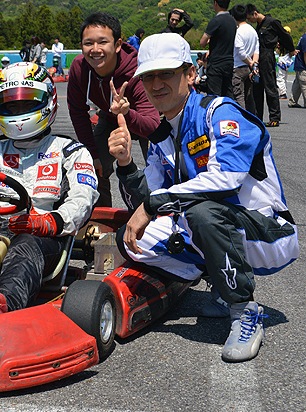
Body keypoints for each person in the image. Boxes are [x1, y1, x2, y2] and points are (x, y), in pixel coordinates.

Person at [108, 33, 298, 362]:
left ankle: (244, 311)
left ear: (191, 74)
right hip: (219, 226)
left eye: (166, 74)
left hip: (268, 233)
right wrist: (125, 165)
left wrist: (153, 205)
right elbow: (147, 202)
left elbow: (225, 181)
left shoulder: (221, 113)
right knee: (130, 240)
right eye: (149, 77)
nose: (156, 85)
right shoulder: (163, 136)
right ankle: (219, 281)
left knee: (202, 213)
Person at [0, 62, 99, 320]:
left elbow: (83, 197)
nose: (19, 112)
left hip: (45, 237)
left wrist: (51, 222)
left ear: (48, 101)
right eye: (11, 105)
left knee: (26, 246)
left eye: (27, 103)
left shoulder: (70, 151)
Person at [67, 12, 159, 207]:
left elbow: (152, 125)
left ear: (117, 45)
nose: (95, 49)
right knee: (92, 167)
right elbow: (77, 111)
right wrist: (92, 152)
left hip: (146, 119)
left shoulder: (137, 70)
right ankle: (103, 224)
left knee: (159, 169)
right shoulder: (79, 68)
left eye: (102, 42)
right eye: (88, 43)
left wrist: (126, 112)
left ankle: (158, 217)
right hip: (110, 118)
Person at [246, 4, 295, 127]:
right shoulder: (258, 26)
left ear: (255, 13)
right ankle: (258, 117)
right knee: (257, 89)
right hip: (257, 57)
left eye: (249, 18)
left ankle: (274, 117)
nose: (249, 21)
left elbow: (285, 35)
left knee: (270, 87)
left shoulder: (272, 22)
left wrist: (291, 49)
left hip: (267, 57)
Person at [200, 0, 237, 98]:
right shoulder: (232, 21)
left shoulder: (215, 21)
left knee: (214, 96)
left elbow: (202, 43)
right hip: (229, 62)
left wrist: (209, 40)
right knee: (228, 94)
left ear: (215, 3)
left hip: (216, 63)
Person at [230, 4, 259, 114]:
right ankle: (253, 118)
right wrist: (254, 64)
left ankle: (243, 118)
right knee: (249, 96)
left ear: (233, 17)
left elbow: (241, 53)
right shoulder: (252, 31)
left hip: (238, 67)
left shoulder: (239, 31)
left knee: (238, 96)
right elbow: (257, 49)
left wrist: (250, 62)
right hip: (248, 68)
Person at [288, 31, 306, 108]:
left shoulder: (303, 37)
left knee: (298, 84)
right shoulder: (305, 38)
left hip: (299, 65)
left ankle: (293, 101)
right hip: (302, 66)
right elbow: (305, 54)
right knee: (304, 84)